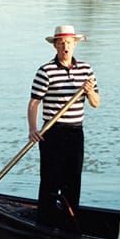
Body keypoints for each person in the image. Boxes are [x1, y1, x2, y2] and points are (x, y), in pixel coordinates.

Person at [28, 24, 100, 228]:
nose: (65, 47)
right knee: (50, 181)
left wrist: (89, 91)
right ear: (55, 46)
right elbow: (34, 103)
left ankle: (69, 225)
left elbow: (96, 103)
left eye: (68, 43)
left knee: (73, 181)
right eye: (61, 43)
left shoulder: (86, 70)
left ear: (74, 44)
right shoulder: (45, 71)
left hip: (75, 132)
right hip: (52, 132)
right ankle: (45, 224)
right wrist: (33, 129)